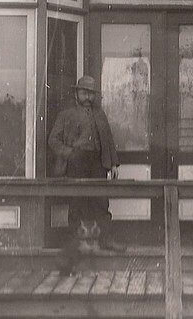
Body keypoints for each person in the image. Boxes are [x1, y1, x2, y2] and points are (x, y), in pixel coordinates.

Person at [48, 75, 126, 274]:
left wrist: (113, 164)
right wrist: (69, 154)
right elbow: (53, 140)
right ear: (76, 94)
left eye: (91, 94)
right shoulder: (66, 115)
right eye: (84, 93)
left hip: (98, 163)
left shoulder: (100, 115)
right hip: (76, 162)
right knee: (77, 203)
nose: (88, 97)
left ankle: (106, 240)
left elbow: (108, 141)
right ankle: (74, 246)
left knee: (101, 202)